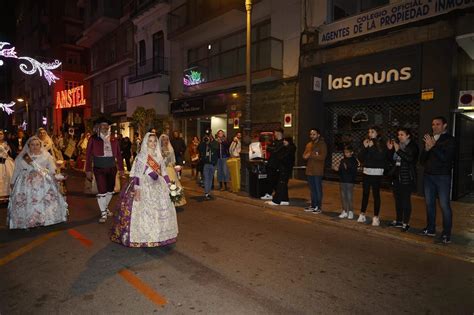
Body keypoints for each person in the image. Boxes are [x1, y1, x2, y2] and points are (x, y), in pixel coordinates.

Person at [110, 132, 178, 247]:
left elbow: (164, 173)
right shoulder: (141, 156)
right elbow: (138, 174)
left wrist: (170, 186)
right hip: (145, 184)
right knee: (146, 212)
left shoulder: (159, 156)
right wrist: (137, 190)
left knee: (160, 212)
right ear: (146, 142)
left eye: (154, 141)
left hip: (159, 185)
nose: (153, 143)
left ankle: (160, 236)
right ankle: (145, 237)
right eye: (150, 141)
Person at [7, 136, 68, 229]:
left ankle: (44, 219)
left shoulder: (46, 156)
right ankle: (27, 221)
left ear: (40, 145)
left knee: (43, 201)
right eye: (32, 145)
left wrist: (57, 177)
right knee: (27, 202)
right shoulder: (22, 157)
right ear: (28, 146)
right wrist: (12, 182)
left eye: (37, 145)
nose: (35, 147)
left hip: (43, 183)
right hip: (25, 184)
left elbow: (52, 170)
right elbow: (16, 170)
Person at [419, 116, 455, 244]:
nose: (434, 126)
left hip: (442, 177)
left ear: (444, 125)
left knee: (444, 205)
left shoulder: (449, 140)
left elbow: (446, 158)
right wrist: (427, 150)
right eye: (433, 124)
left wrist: (434, 147)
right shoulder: (431, 139)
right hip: (428, 176)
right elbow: (422, 161)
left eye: (438, 124)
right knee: (429, 204)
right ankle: (431, 228)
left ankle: (446, 234)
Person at [85, 117, 124, 223]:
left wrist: (121, 168)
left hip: (112, 167)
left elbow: (119, 155)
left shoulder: (113, 139)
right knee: (102, 190)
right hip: (99, 168)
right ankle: (103, 212)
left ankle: (105, 207)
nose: (105, 127)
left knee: (110, 191)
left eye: (107, 126)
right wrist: (88, 170)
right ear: (98, 127)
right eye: (103, 125)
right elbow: (88, 155)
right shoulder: (93, 139)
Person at [386, 128, 419, 232]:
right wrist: (390, 149)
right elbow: (391, 160)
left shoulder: (412, 146)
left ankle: (406, 223)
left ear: (408, 135)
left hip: (407, 177)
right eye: (398, 135)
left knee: (406, 201)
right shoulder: (398, 146)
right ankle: (399, 221)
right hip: (396, 176)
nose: (399, 136)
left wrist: (398, 150)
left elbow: (410, 159)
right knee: (398, 200)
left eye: (402, 134)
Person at [357, 126, 387, 226]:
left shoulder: (381, 143)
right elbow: (360, 158)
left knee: (376, 195)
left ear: (377, 133)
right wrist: (365, 148)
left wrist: (371, 147)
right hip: (366, 171)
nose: (370, 134)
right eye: (369, 132)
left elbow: (380, 157)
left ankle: (376, 217)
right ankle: (362, 214)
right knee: (365, 193)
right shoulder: (367, 142)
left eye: (372, 132)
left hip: (377, 172)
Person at [264, 129, 296, 206]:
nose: (283, 142)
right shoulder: (286, 147)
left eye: (285, 140)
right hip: (283, 168)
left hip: (285, 168)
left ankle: (276, 200)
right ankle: (285, 199)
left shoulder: (290, 148)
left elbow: (281, 156)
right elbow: (276, 152)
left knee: (281, 184)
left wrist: (279, 156)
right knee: (283, 184)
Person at [302, 128, 327, 213]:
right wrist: (306, 155)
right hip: (309, 170)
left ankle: (318, 207)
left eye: (314, 134)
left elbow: (322, 157)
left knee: (318, 189)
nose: (312, 136)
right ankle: (313, 205)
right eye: (311, 134)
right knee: (312, 190)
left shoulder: (322, 144)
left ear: (318, 135)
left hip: (317, 171)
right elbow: (304, 155)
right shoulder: (309, 144)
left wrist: (311, 155)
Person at [159, 133, 187, 207]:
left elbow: (173, 159)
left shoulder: (170, 148)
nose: (165, 141)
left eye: (166, 140)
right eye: (163, 140)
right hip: (162, 169)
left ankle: (174, 201)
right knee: (165, 185)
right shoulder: (159, 149)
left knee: (173, 184)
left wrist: (175, 167)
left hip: (170, 168)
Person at [334, 145, 358, 219]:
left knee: (349, 196)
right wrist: (337, 169)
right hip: (342, 180)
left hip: (349, 181)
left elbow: (353, 172)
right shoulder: (343, 160)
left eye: (347, 152)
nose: (346, 154)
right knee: (343, 196)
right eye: (345, 152)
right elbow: (340, 171)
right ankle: (344, 211)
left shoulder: (354, 160)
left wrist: (347, 168)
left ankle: (350, 211)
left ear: (352, 152)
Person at [198, 130, 218, 200]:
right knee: (206, 178)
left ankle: (208, 192)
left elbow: (216, 149)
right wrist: (204, 142)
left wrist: (210, 142)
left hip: (212, 164)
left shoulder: (215, 143)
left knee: (210, 179)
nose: (208, 137)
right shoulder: (204, 143)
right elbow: (199, 148)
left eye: (209, 135)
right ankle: (206, 193)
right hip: (206, 163)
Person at [0, 130, 15, 203]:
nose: (0, 135)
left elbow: (12, 153)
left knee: (9, 178)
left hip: (6, 163)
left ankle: (7, 196)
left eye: (1, 134)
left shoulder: (8, 143)